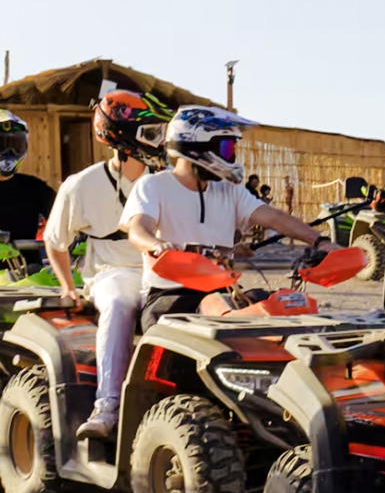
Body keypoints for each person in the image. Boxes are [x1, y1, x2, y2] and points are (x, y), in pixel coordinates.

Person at [123, 106, 336, 330]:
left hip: (221, 292)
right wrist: (155, 244)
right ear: (196, 146)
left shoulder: (229, 190)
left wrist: (320, 242)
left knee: (286, 308)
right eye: (226, 147)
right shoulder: (154, 185)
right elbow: (137, 229)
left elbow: (274, 218)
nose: (231, 155)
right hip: (170, 294)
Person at [43, 92, 175, 439]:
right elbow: (55, 242)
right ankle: (108, 405)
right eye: (150, 133)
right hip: (113, 273)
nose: (159, 141)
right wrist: (69, 287)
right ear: (120, 137)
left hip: (167, 270)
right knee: (118, 304)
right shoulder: (79, 185)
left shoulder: (169, 181)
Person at [0, 111, 56, 243]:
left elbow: (67, 221)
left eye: (15, 146)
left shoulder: (35, 188)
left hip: (30, 263)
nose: (9, 153)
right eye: (1, 146)